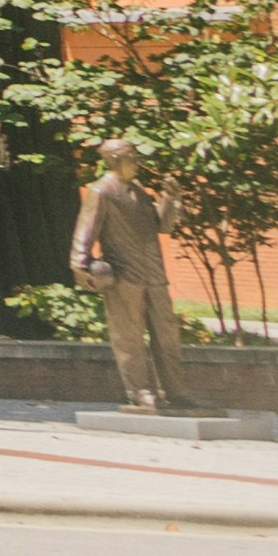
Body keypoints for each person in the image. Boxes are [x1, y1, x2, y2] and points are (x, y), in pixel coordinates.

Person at [71, 139, 178, 414]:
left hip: (154, 274)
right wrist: (80, 264)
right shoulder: (102, 191)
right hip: (124, 274)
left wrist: (170, 199)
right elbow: (86, 229)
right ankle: (140, 391)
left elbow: (161, 226)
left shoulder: (139, 191)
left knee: (167, 334)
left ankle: (175, 391)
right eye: (133, 157)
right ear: (116, 160)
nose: (138, 162)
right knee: (129, 336)